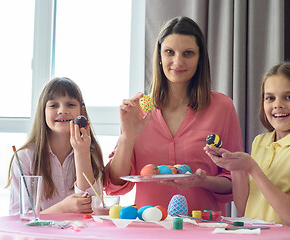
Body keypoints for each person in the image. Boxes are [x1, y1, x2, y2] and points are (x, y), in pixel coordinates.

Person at [103, 16, 244, 215]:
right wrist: (127, 138)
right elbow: (115, 184)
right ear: (159, 55)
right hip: (148, 229)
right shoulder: (139, 110)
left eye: (188, 53)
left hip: (204, 229)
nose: (177, 62)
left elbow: (234, 183)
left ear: (199, 58)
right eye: (169, 52)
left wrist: (203, 181)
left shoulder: (222, 107)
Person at [205, 62, 290, 240]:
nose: (278, 105)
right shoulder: (260, 142)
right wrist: (235, 167)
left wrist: (252, 168)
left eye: (289, 97)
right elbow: (245, 210)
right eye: (270, 98)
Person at [6, 77, 104, 214]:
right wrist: (62, 209)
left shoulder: (91, 153)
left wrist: (82, 153)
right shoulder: (25, 158)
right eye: (53, 105)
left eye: (70, 104)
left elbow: (92, 208)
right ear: (43, 111)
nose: (62, 110)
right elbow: (18, 217)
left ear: (82, 112)